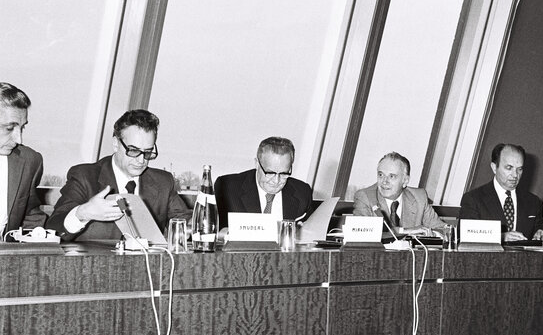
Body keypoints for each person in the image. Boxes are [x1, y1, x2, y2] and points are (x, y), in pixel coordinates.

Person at [46, 109, 190, 241]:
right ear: (115, 143)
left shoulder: (163, 182)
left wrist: (194, 230)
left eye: (148, 152)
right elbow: (53, 230)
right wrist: (82, 213)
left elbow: (185, 225)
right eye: (133, 150)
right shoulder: (84, 177)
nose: (141, 160)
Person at [214, 136, 313, 228]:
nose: (276, 181)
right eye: (270, 173)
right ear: (257, 164)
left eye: (283, 173)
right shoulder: (227, 188)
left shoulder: (302, 192)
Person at [458, 143, 542, 241]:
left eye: (519, 169)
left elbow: (540, 229)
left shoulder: (533, 202)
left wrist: (540, 233)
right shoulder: (473, 199)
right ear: (494, 167)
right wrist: (501, 237)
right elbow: (465, 235)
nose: (515, 175)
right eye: (509, 168)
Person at [353, 152, 445, 234]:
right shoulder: (364, 197)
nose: (384, 181)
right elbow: (364, 232)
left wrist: (432, 234)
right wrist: (406, 231)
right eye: (381, 175)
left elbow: (443, 230)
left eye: (392, 176)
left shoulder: (419, 197)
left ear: (405, 181)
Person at [0, 82, 47, 234]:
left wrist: (36, 237)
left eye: (22, 127)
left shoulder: (30, 161)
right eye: (9, 128)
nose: (18, 139)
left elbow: (30, 214)